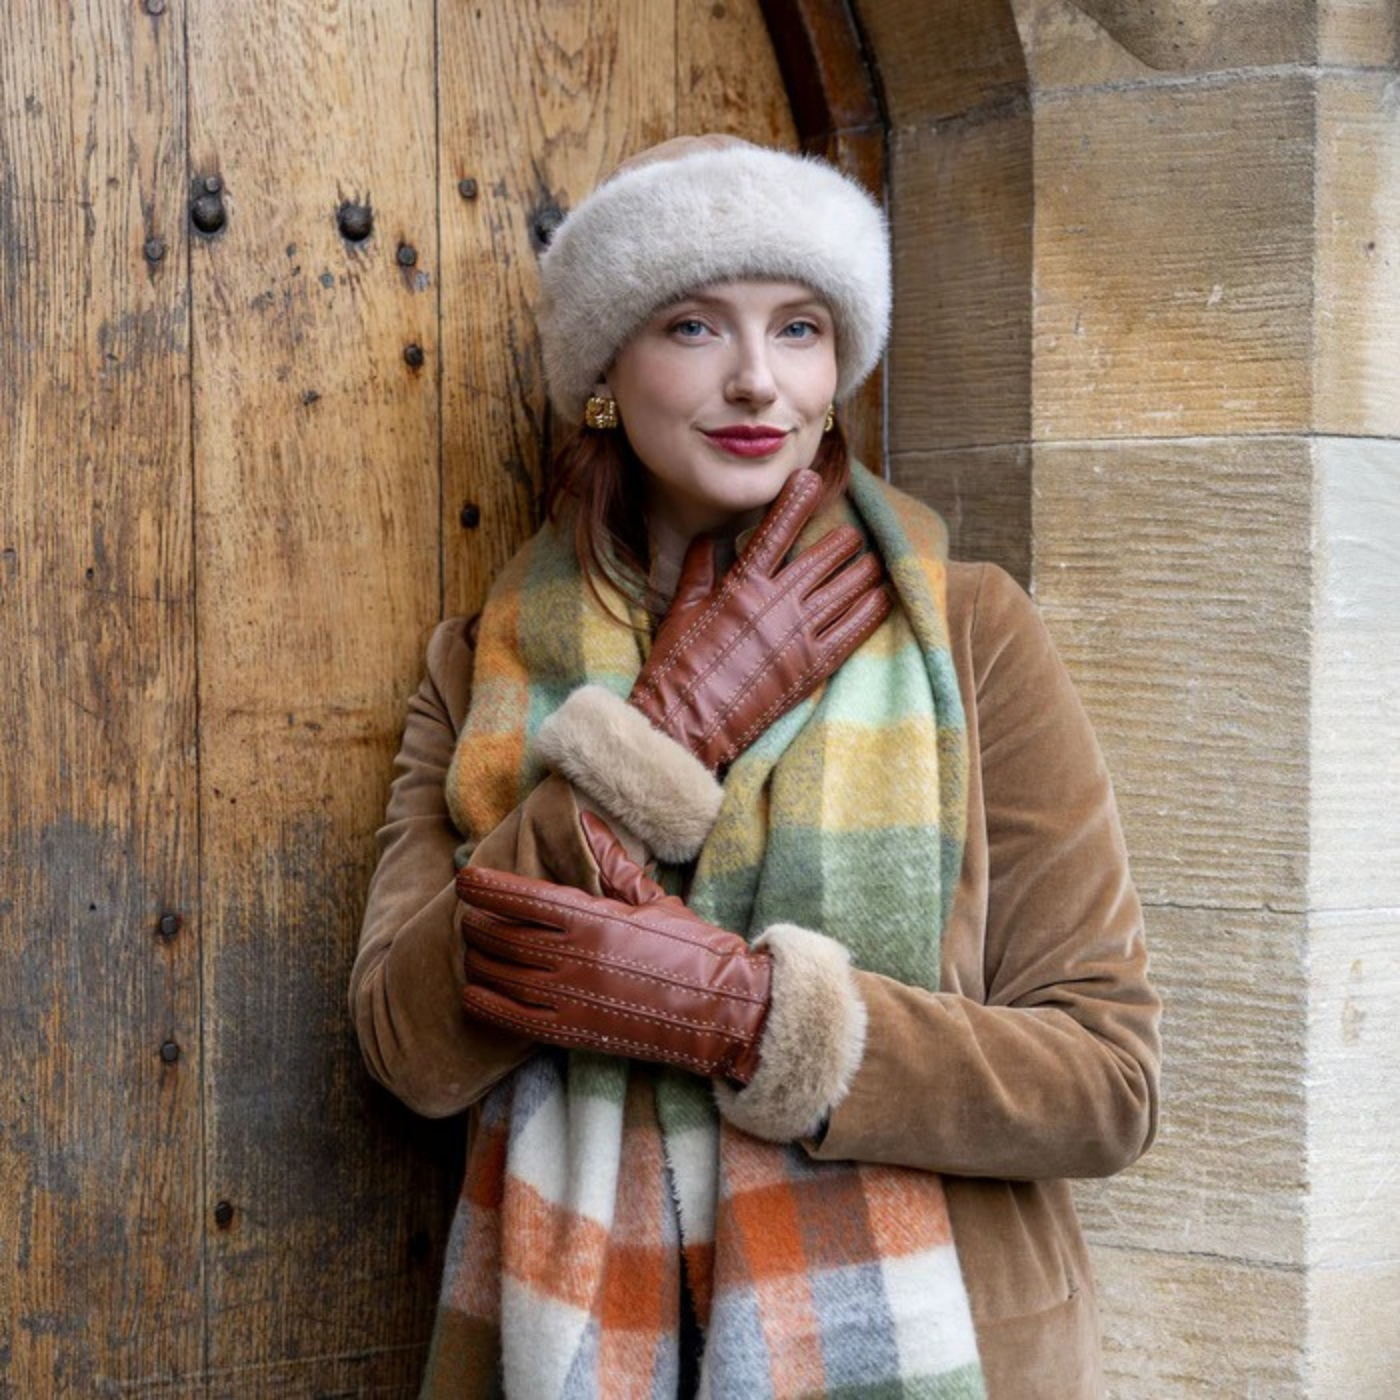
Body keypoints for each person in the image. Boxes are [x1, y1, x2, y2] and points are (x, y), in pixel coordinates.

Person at [350, 135, 1161, 1400]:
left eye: (797, 328)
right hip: (572, 1343)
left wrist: (747, 1020)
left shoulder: (968, 629)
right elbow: (407, 1045)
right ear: (604, 371)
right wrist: (656, 739)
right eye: (691, 324)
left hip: (935, 1343)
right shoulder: (479, 666)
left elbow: (1105, 1082)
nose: (753, 380)